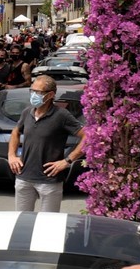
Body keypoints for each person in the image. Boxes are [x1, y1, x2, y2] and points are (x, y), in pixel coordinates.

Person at [7, 75, 85, 213]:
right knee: (21, 222)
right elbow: (15, 132)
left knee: (48, 225)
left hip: (49, 181)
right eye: (32, 91)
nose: (33, 95)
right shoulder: (27, 112)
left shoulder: (62, 115)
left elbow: (87, 137)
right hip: (24, 177)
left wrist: (67, 161)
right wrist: (11, 155)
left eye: (38, 92)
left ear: (50, 95)